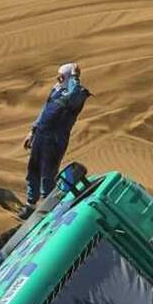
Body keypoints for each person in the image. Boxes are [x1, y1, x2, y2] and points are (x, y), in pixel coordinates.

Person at [19, 62, 91, 220]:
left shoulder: (78, 94)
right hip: (41, 135)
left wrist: (74, 77)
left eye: (61, 77)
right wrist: (32, 131)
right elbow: (44, 111)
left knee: (48, 174)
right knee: (33, 169)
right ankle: (30, 205)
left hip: (55, 139)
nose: (58, 80)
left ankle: (49, 209)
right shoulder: (56, 90)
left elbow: (73, 95)